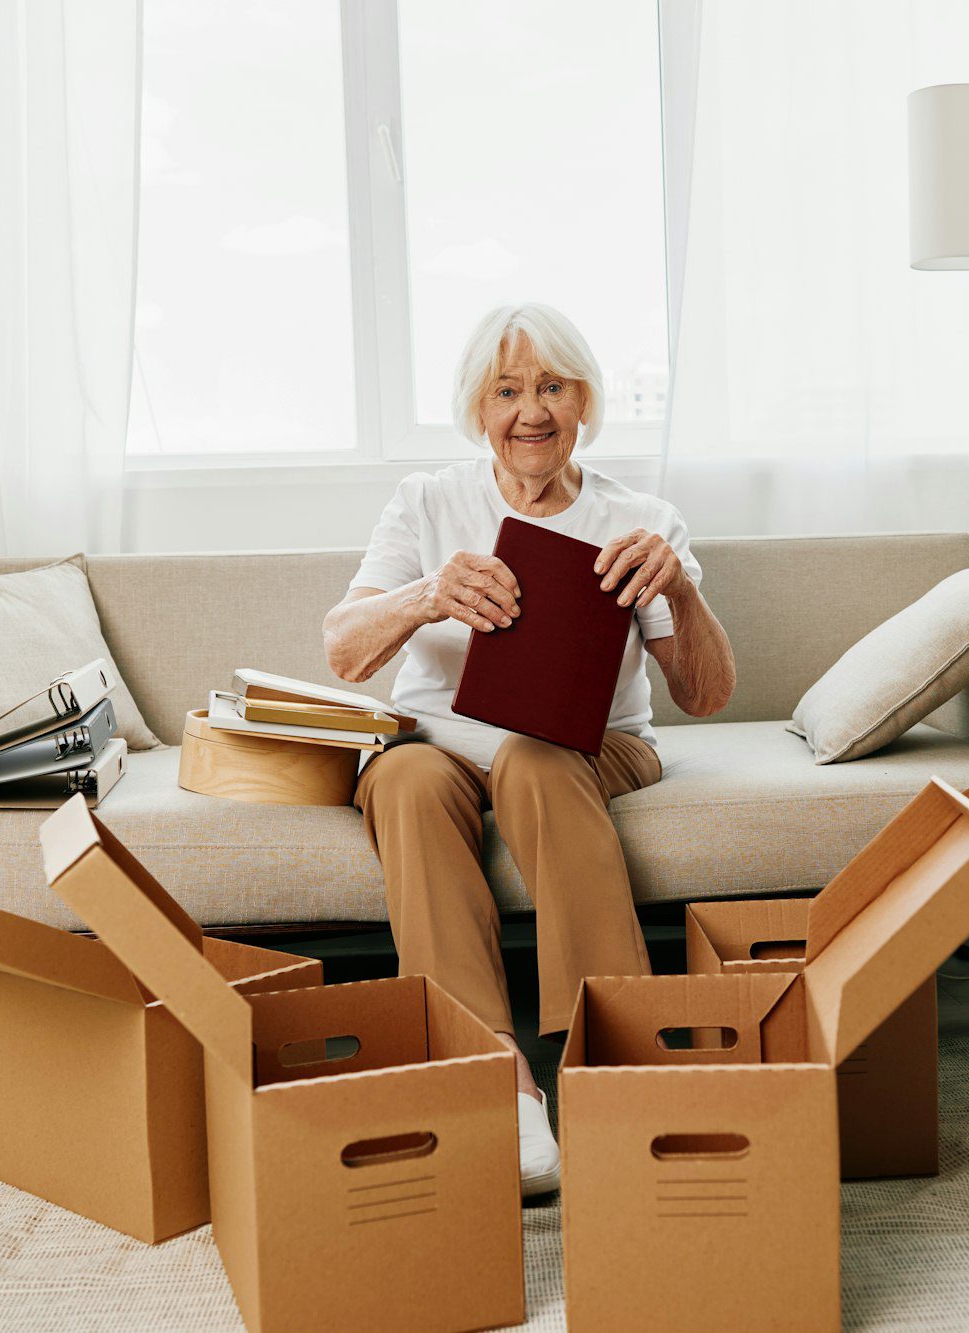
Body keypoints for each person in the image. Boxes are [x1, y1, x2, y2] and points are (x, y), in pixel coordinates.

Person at [323, 302, 736, 1196]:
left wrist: (682, 593)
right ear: (480, 410)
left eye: (551, 386)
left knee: (535, 759)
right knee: (404, 780)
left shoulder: (642, 517)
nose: (531, 411)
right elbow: (345, 648)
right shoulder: (427, 503)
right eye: (507, 390)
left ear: (584, 399)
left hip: (591, 747)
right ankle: (496, 1081)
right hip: (437, 744)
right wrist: (428, 594)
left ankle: (611, 1069)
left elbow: (705, 695)